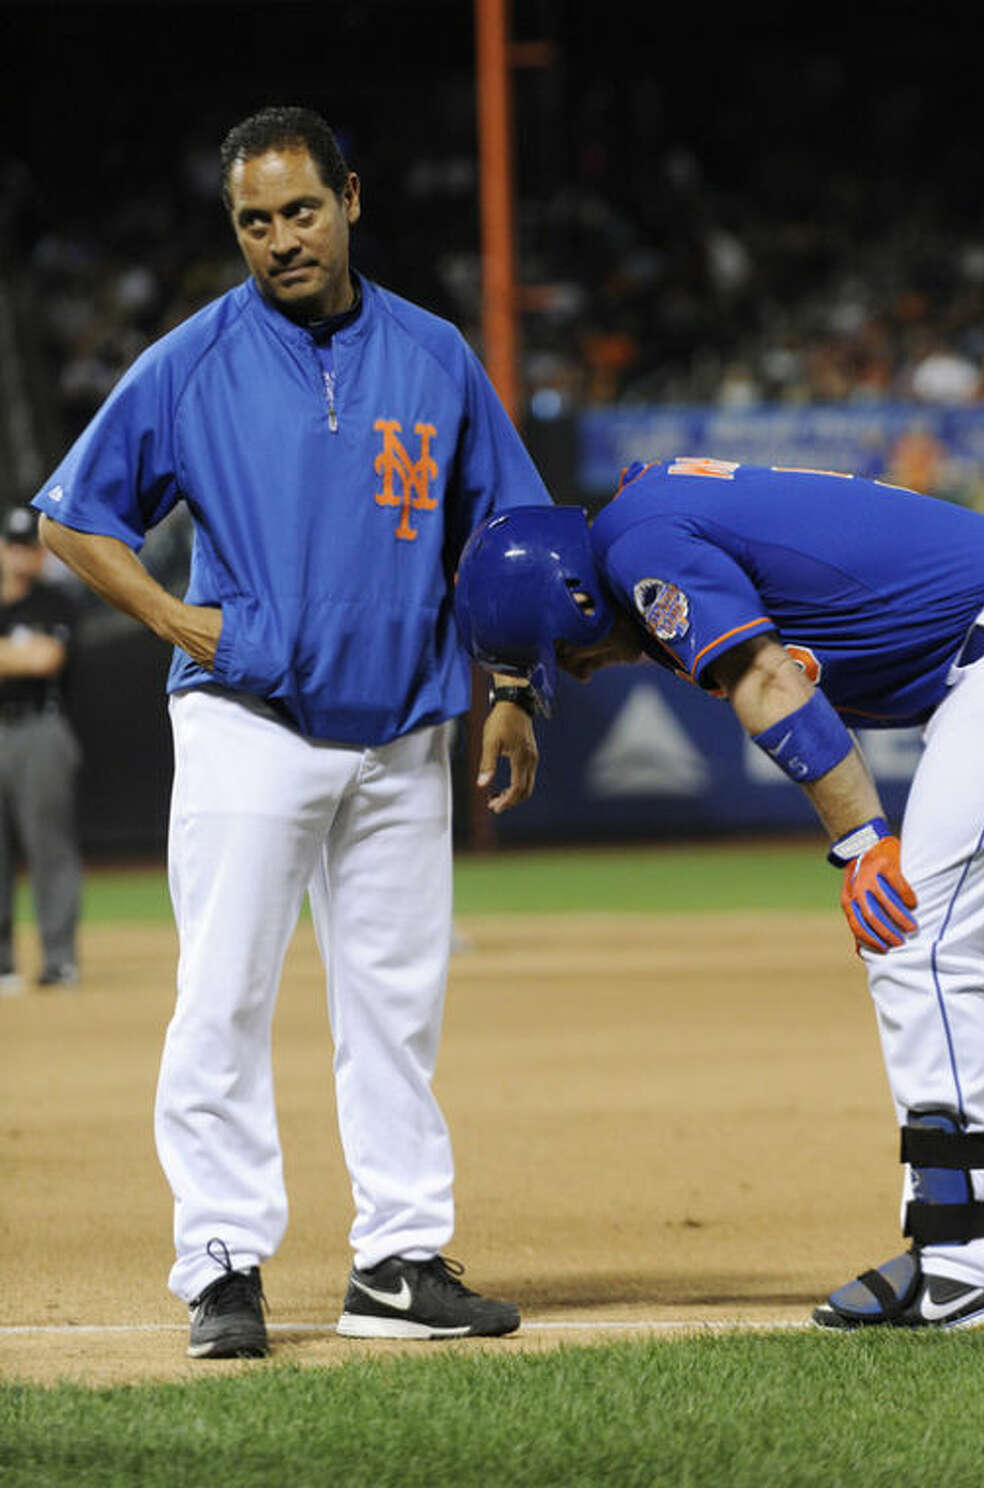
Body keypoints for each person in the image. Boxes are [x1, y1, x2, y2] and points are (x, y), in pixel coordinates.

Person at [34, 106, 549, 1359]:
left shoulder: (434, 356)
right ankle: (220, 1261)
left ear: (352, 199)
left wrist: (518, 689)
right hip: (248, 724)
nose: (279, 240)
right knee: (222, 997)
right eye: (254, 222)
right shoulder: (195, 359)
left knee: (395, 1005)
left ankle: (398, 1260)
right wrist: (179, 621)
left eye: (300, 211)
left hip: (404, 732)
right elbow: (73, 516)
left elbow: (510, 534)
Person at [453, 457, 984, 1330]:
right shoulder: (639, 520)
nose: (587, 672)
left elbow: (765, 680)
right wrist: (518, 690)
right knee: (918, 946)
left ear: (580, 599)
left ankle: (970, 1258)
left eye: (568, 655)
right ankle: (950, 1242)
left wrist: (863, 840)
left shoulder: (643, 553)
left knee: (916, 938)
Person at [0, 504, 81, 993]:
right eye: (12, 545)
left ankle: (59, 958)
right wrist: (17, 655)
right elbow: (27, 658)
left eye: (28, 545)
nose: (20, 555)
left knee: (49, 845)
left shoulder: (55, 602)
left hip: (41, 731)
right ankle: (3, 962)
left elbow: (46, 659)